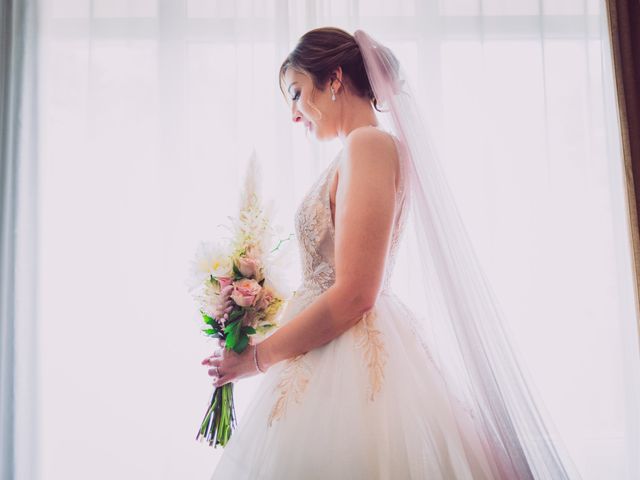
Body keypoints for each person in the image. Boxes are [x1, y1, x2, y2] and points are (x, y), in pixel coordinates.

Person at [202, 27, 581, 479]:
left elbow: (356, 292)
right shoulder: (359, 150)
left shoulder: (369, 145)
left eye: (297, 93)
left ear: (335, 79)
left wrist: (258, 357)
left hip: (350, 358)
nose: (294, 114)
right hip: (327, 350)